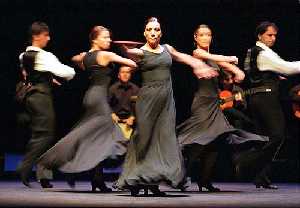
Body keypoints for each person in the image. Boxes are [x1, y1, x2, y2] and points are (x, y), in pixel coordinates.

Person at [116, 17, 218, 196]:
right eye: (150, 30)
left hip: (166, 100)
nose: (154, 32)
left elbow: (182, 56)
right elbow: (128, 53)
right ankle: (135, 179)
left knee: (164, 138)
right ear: (145, 33)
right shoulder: (140, 52)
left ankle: (153, 181)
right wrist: (125, 48)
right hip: (148, 99)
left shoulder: (167, 49)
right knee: (144, 138)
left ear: (161, 33)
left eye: (157, 29)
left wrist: (198, 64)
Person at [37, 25, 137, 192]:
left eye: (109, 37)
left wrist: (83, 57)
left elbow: (76, 59)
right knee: (115, 137)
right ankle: (65, 165)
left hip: (90, 96)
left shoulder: (87, 57)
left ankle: (97, 178)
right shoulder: (106, 54)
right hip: (98, 99)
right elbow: (132, 64)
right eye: (105, 37)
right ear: (94, 39)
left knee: (95, 138)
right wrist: (126, 50)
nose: (109, 40)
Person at [177, 24, 268, 192]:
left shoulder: (214, 59)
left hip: (215, 103)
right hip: (202, 104)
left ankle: (204, 180)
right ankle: (181, 177)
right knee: (199, 142)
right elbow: (215, 57)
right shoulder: (198, 53)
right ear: (195, 38)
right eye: (202, 35)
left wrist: (236, 70)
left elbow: (237, 74)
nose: (206, 37)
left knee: (216, 143)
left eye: (208, 34)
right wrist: (229, 58)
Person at [16, 21, 75, 188]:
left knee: (39, 135)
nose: (48, 38)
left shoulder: (23, 56)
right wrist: (67, 72)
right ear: (36, 36)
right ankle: (25, 166)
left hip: (30, 97)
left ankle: (43, 175)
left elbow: (29, 73)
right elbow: (67, 72)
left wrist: (49, 78)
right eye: (45, 35)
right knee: (46, 135)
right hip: (41, 98)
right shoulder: (44, 56)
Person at [244, 21, 300, 189]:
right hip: (266, 98)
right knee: (278, 135)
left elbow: (256, 71)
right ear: (260, 35)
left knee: (264, 138)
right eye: (269, 35)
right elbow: (287, 68)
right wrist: (278, 72)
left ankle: (261, 176)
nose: (273, 38)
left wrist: (274, 75)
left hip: (257, 97)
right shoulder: (263, 53)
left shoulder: (256, 51)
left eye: (275, 35)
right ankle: (247, 163)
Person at [109, 66, 139, 141]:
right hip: (115, 121)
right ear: (118, 75)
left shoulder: (136, 89)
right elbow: (106, 104)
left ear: (130, 75)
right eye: (123, 72)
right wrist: (112, 114)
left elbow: (139, 107)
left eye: (128, 72)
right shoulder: (112, 89)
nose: (125, 74)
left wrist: (132, 117)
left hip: (130, 122)